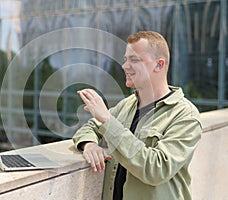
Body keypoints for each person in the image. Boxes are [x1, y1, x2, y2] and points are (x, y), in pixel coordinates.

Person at [72, 31, 202, 200]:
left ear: (159, 65)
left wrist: (107, 120)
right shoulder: (127, 105)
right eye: (126, 59)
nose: (125, 66)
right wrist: (89, 145)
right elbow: (91, 126)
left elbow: (157, 169)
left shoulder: (185, 116)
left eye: (134, 60)